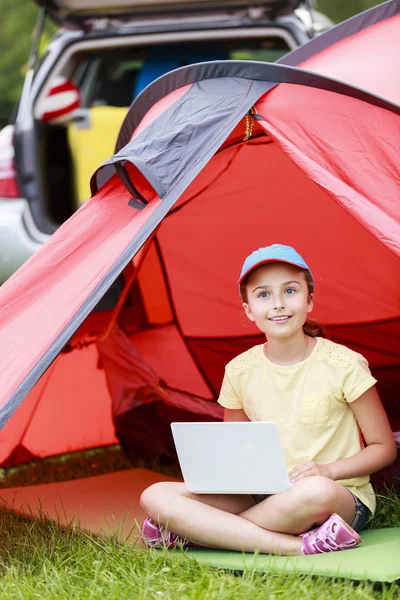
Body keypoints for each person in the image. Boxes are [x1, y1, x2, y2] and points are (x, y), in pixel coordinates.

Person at [140, 244, 397, 555]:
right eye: (263, 295)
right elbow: (233, 450)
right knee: (154, 496)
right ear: (249, 309)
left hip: (334, 496)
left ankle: (199, 532)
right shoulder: (238, 370)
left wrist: (328, 471)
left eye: (290, 291)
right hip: (262, 496)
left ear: (309, 300)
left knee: (313, 491)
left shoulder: (345, 364)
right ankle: (297, 546)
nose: (278, 304)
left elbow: (383, 448)